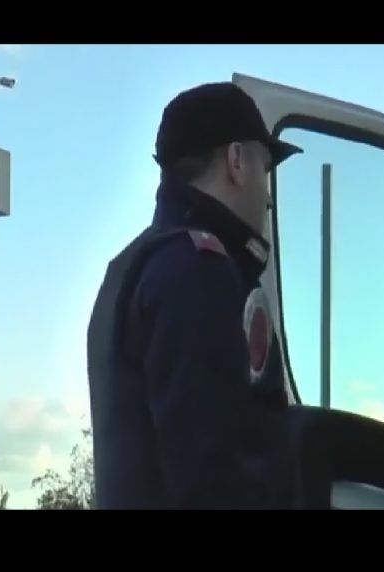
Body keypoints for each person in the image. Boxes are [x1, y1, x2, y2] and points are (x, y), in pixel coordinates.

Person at [86, 81, 304, 509]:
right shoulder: (199, 270)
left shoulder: (132, 267)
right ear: (236, 161)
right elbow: (215, 474)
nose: (268, 197)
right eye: (265, 168)